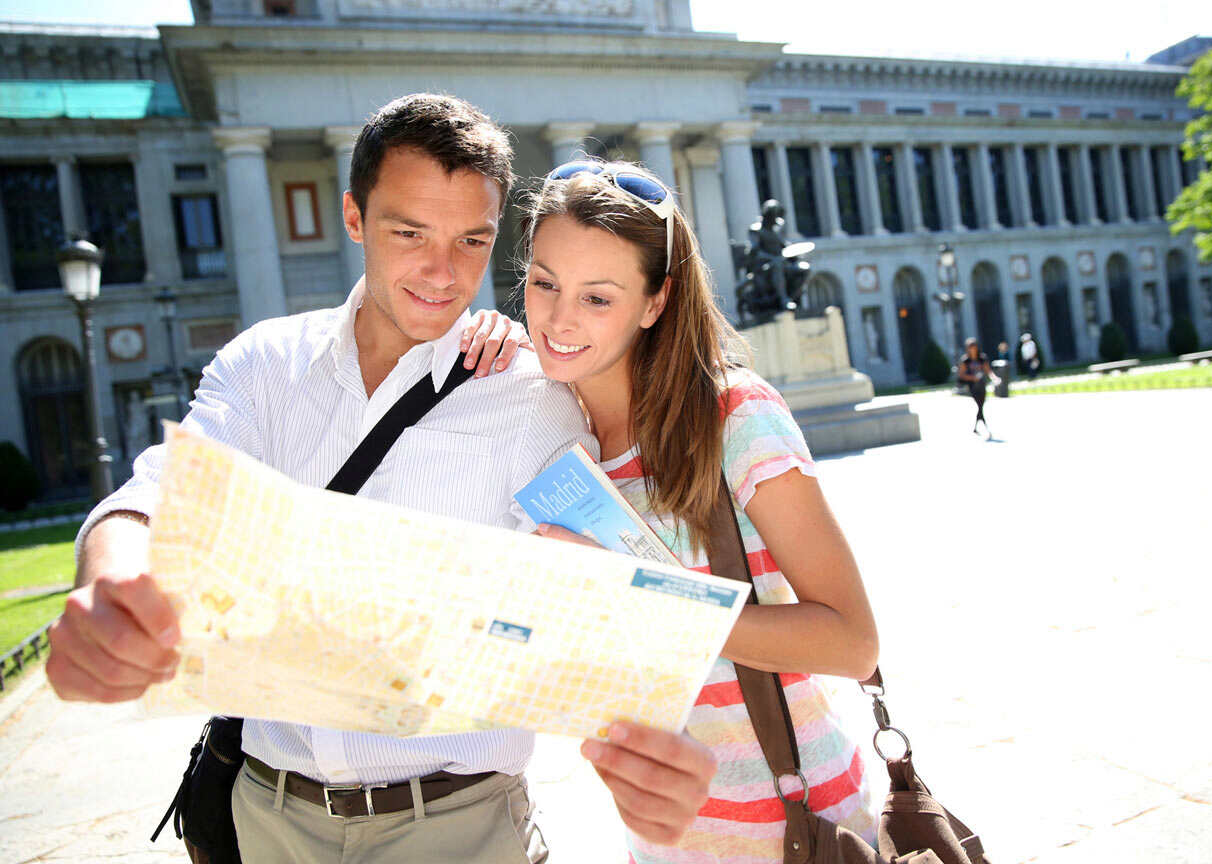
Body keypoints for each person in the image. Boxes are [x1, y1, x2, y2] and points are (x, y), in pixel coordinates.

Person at [44, 94, 716, 863]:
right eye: (409, 233)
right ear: (355, 218)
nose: (442, 272)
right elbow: (157, 493)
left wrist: (649, 738)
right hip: (268, 813)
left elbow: (591, 591)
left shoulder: (536, 402)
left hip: (457, 825)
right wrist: (112, 581)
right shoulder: (264, 365)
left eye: (472, 239)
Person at [519, 160, 881, 863]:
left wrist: (655, 607)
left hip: (800, 832)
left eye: (598, 298)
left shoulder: (735, 418)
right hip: (661, 847)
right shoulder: (545, 438)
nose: (559, 319)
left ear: (655, 303)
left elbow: (853, 642)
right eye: (543, 283)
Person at [957, 337, 1000, 439]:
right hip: (972, 386)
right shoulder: (965, 360)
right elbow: (961, 375)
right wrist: (973, 378)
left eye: (974, 347)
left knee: (981, 406)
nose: (973, 349)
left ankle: (976, 427)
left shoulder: (982, 358)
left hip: (981, 385)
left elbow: (988, 371)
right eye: (970, 348)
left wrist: (995, 378)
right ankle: (986, 428)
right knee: (980, 406)